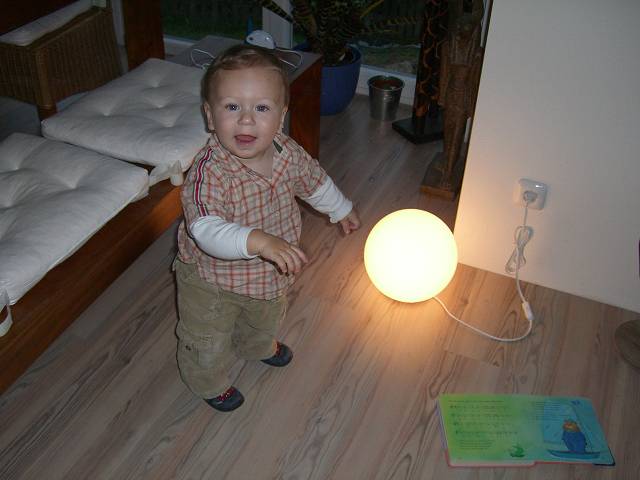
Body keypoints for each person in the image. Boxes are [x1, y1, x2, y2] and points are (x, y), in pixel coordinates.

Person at [175, 44, 361, 412]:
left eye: (261, 108)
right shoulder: (209, 173)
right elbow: (206, 229)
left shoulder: (287, 151)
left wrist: (340, 207)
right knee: (207, 337)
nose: (246, 121)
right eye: (232, 107)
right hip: (213, 281)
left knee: (266, 315)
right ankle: (207, 381)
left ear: (281, 116)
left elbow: (313, 181)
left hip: (270, 271)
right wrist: (258, 241)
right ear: (210, 116)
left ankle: (256, 346)